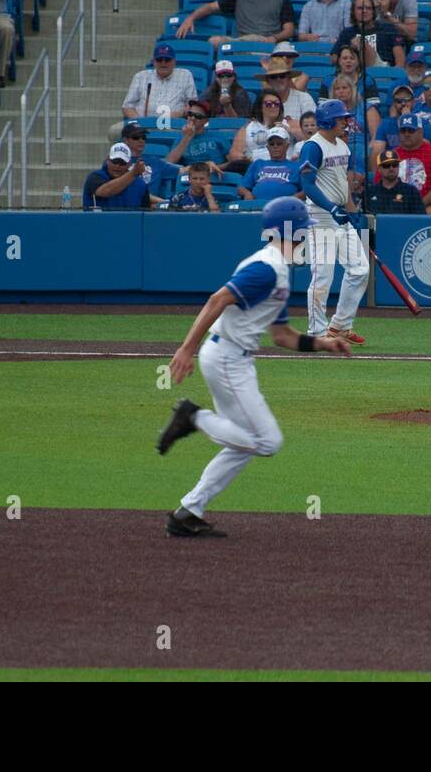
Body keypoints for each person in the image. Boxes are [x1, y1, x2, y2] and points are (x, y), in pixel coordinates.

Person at [155, 195, 352, 537]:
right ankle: (192, 416)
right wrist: (186, 348)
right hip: (227, 358)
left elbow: (282, 336)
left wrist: (324, 343)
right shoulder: (266, 268)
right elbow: (217, 299)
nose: (306, 237)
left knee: (243, 443)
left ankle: (188, 511)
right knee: (267, 442)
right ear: (289, 232)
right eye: (303, 231)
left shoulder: (278, 271)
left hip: (235, 360)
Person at [299, 99, 371, 344]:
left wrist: (351, 209)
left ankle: (340, 326)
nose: (346, 122)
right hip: (320, 217)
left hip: (340, 214)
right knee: (323, 276)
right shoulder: (313, 147)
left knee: (360, 269)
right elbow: (307, 185)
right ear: (329, 120)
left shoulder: (342, 145)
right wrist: (331, 207)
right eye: (342, 119)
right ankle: (317, 332)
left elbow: (343, 183)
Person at [119, 42, 198, 125]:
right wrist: (140, 122)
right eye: (159, 60)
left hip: (173, 124)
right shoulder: (140, 77)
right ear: (153, 62)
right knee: (113, 131)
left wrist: (180, 114)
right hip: (141, 126)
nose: (163, 63)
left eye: (167, 60)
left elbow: (193, 105)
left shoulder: (185, 75)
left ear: (174, 61)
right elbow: (127, 106)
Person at [392, 112, 431, 214]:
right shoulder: (392, 155)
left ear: (420, 132)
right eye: (403, 131)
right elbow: (381, 183)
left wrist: (419, 204)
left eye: (411, 130)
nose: (407, 134)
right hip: (396, 203)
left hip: (428, 203)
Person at [82, 142, 152, 210]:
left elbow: (145, 212)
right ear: (107, 160)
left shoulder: (140, 184)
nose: (117, 166)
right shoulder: (95, 177)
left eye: (122, 163)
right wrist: (133, 173)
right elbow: (106, 191)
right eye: (114, 161)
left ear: (129, 164)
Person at [239, 127, 302, 200]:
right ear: (267, 147)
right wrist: (247, 193)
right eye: (272, 144)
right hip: (256, 206)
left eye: (279, 144)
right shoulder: (258, 164)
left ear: (287, 146)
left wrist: (293, 199)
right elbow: (241, 188)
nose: (275, 146)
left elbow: (307, 190)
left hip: (286, 208)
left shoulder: (296, 166)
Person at [363, 148, 425, 213]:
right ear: (379, 169)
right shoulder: (370, 192)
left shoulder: (411, 192)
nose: (391, 168)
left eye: (395, 165)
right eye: (386, 165)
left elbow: (420, 219)